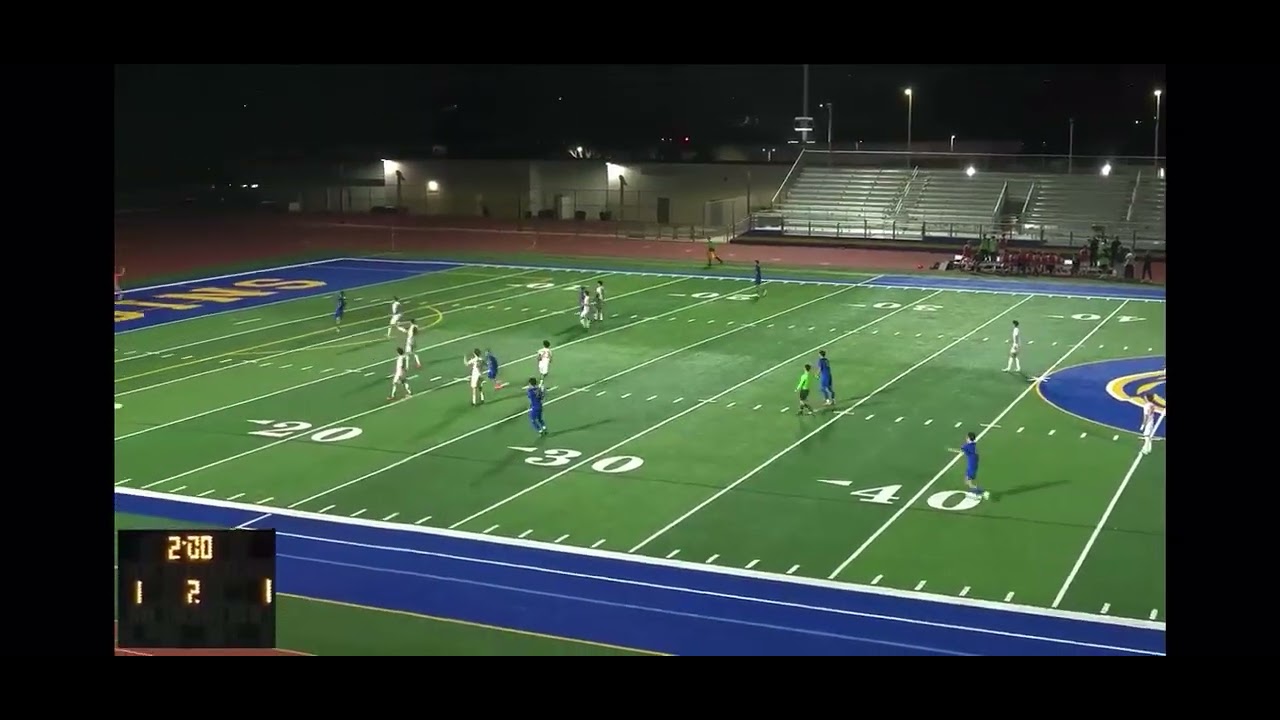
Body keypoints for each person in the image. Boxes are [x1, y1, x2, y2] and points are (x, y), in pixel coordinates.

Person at [960, 432, 989, 499]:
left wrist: (963, 450)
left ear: (969, 438)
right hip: (973, 465)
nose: (966, 438)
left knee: (969, 483)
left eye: (967, 437)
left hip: (971, 466)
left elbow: (962, 448)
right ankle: (977, 492)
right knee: (966, 481)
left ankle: (982, 492)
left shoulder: (967, 446)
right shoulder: (973, 445)